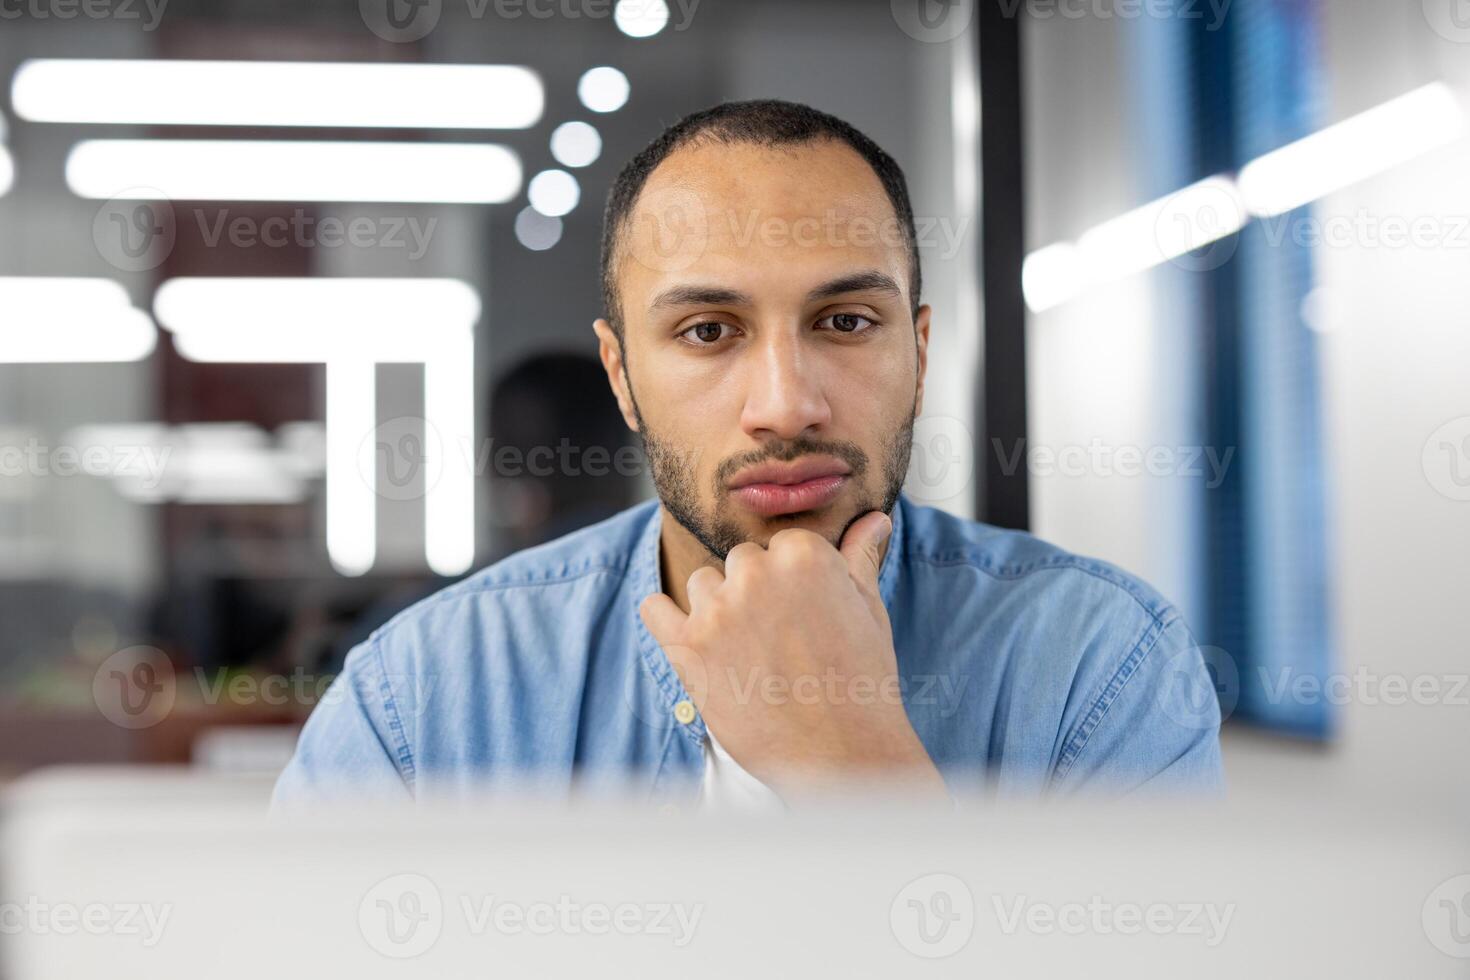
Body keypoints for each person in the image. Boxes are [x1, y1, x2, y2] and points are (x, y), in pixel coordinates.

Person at [273, 99, 1223, 811]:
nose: (785, 405)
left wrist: (851, 766)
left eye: (847, 321)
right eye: (708, 332)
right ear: (622, 375)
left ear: (920, 354)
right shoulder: (422, 698)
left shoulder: (1099, 665)